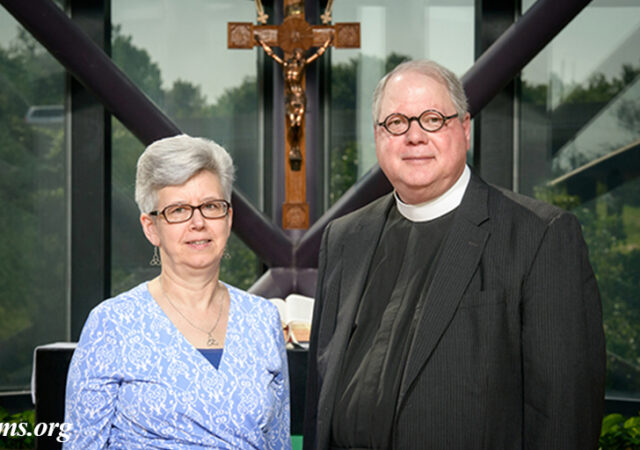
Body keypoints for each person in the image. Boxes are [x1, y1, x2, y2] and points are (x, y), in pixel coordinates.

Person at [303, 60, 606, 449]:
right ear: (378, 136)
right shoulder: (344, 238)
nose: (414, 136)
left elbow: (565, 415)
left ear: (464, 128)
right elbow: (319, 398)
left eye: (432, 119)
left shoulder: (538, 237)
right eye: (396, 122)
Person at [64, 135, 291, 449]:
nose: (198, 222)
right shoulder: (112, 324)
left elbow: (277, 442)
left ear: (228, 218)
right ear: (151, 228)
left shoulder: (262, 318)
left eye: (211, 206)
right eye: (179, 210)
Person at [255, 35, 332, 169]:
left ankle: (296, 147)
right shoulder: (286, 65)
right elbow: (271, 54)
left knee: (298, 123)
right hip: (290, 98)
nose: (300, 56)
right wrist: (261, 42)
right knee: (292, 123)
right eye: (298, 53)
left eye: (301, 54)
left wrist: (327, 43)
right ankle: (294, 147)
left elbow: (318, 54)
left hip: (299, 97)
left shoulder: (302, 65)